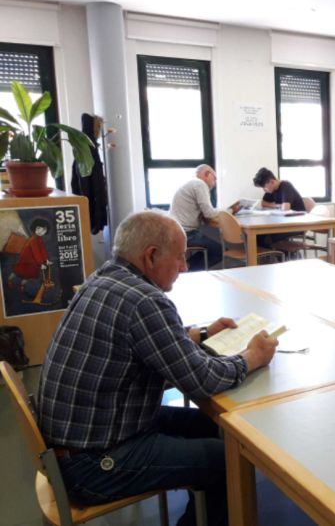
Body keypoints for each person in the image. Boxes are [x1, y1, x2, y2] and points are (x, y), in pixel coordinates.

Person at [36, 211, 278, 526]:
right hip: (92, 465)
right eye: (179, 258)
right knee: (226, 460)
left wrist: (202, 334)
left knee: (212, 425)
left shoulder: (107, 276)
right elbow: (202, 380)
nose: (184, 267)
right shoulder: (145, 301)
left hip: (83, 437)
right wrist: (252, 357)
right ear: (151, 256)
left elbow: (141, 340)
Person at [170, 164, 233, 271]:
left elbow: (205, 211)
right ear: (207, 174)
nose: (214, 184)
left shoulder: (190, 183)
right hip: (186, 233)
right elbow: (210, 213)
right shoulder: (199, 184)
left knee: (212, 248)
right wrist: (229, 210)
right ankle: (186, 269)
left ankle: (186, 267)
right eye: (214, 179)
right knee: (220, 250)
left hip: (177, 230)